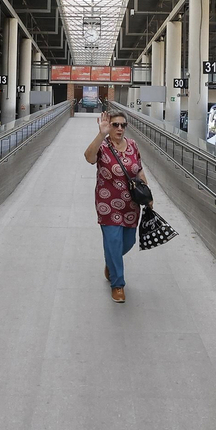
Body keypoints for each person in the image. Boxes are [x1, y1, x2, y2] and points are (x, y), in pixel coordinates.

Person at [84, 109, 149, 303]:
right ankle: (118, 284)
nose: (119, 128)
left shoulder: (133, 145)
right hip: (107, 204)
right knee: (113, 241)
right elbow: (88, 157)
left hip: (131, 204)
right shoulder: (102, 147)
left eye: (123, 125)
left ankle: (110, 262)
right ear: (109, 126)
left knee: (128, 242)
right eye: (115, 125)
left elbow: (138, 170)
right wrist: (101, 134)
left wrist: (148, 194)